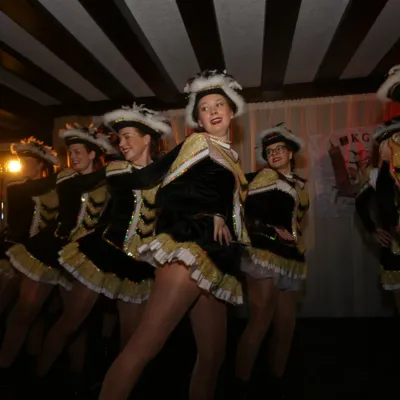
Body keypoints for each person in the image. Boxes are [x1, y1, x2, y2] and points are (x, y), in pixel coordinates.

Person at [99, 69, 249, 400]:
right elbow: (167, 192)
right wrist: (210, 211)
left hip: (216, 259)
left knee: (213, 356)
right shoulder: (198, 143)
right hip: (191, 248)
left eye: (218, 104)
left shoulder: (230, 157)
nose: (212, 111)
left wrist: (223, 213)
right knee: (143, 346)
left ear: (232, 111)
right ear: (198, 119)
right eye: (204, 108)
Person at [35, 104, 172, 380]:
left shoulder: (166, 177)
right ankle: (35, 381)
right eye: (119, 138)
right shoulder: (117, 169)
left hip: (138, 265)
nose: (121, 143)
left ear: (147, 139)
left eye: (127, 136)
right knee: (70, 324)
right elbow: (143, 177)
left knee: (131, 340)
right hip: (105, 254)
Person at [0, 126, 114, 376]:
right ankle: (10, 368)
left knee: (74, 325)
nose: (73, 157)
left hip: (86, 258)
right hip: (52, 253)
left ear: (92, 154)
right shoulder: (64, 179)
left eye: (78, 151)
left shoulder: (109, 182)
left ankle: (71, 378)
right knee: (26, 312)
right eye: (70, 152)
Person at [235, 124, 309, 399]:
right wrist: (269, 228)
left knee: (286, 327)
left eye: (280, 149)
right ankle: (240, 385)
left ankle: (277, 383)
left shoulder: (297, 185)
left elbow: (295, 220)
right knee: (260, 322)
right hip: (263, 254)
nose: (274, 153)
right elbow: (247, 211)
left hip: (289, 257)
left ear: (290, 153)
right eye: (269, 151)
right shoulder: (265, 176)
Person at [0, 138, 59, 317]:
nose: (23, 164)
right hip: (14, 249)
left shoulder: (54, 189)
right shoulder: (14, 187)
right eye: (21, 160)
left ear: (41, 164)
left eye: (28, 160)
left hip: (40, 253)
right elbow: (8, 219)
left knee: (31, 312)